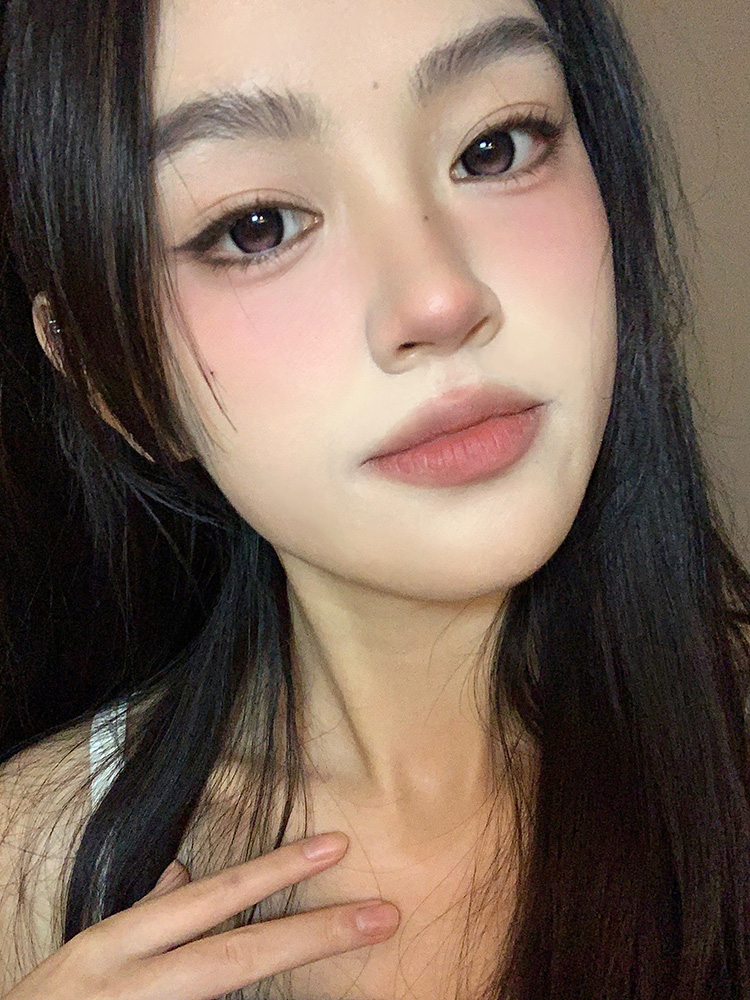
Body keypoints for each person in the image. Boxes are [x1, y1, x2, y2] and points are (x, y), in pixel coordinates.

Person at [0, 0, 749, 997]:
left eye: (494, 148)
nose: (439, 298)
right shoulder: (25, 864)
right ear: (112, 377)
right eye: (256, 227)